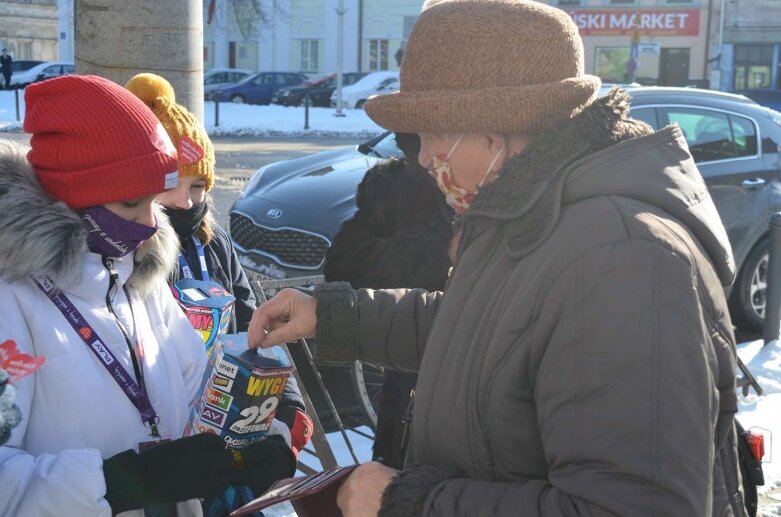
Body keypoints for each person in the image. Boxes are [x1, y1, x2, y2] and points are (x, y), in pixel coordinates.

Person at [248, 1, 746, 516]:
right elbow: (483, 332)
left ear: (495, 130)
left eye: (433, 133)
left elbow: (630, 507)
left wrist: (408, 504)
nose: (421, 157)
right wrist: (334, 317)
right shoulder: (534, 215)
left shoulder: (623, 259)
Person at [0, 75, 272, 516]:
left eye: (153, 201)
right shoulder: (11, 301)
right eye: (131, 203)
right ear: (72, 196)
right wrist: (115, 485)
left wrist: (243, 441)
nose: (151, 224)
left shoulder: (136, 274)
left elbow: (196, 385)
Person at [125, 73, 313, 512]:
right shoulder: (121, 257)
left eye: (199, 186)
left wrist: (285, 423)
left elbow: (258, 335)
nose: (188, 202)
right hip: (159, 468)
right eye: (174, 184)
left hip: (229, 448)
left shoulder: (213, 242)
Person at [323, 132, 452, 468]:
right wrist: (435, 254)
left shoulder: (501, 195)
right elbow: (343, 264)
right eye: (418, 148)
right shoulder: (391, 187)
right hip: (407, 371)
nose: (428, 159)